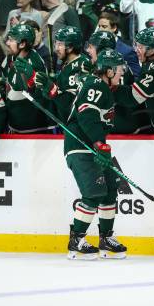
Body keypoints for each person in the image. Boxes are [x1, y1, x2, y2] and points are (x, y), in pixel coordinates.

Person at [62, 49, 128, 260]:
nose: (121, 74)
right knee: (93, 193)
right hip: (81, 147)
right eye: (118, 70)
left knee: (109, 190)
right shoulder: (96, 85)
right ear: (108, 71)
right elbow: (87, 115)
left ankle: (106, 238)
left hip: (95, 146)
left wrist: (100, 145)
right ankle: (76, 240)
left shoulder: (104, 87)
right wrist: (99, 144)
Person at [113, 27, 154, 132]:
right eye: (136, 45)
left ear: (151, 50)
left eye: (140, 47)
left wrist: (108, 87)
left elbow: (131, 98)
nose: (135, 49)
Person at [2, 23, 55, 133]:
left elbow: (20, 87)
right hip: (16, 121)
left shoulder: (34, 62)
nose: (7, 43)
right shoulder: (12, 57)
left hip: (33, 126)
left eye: (11, 40)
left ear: (22, 44)